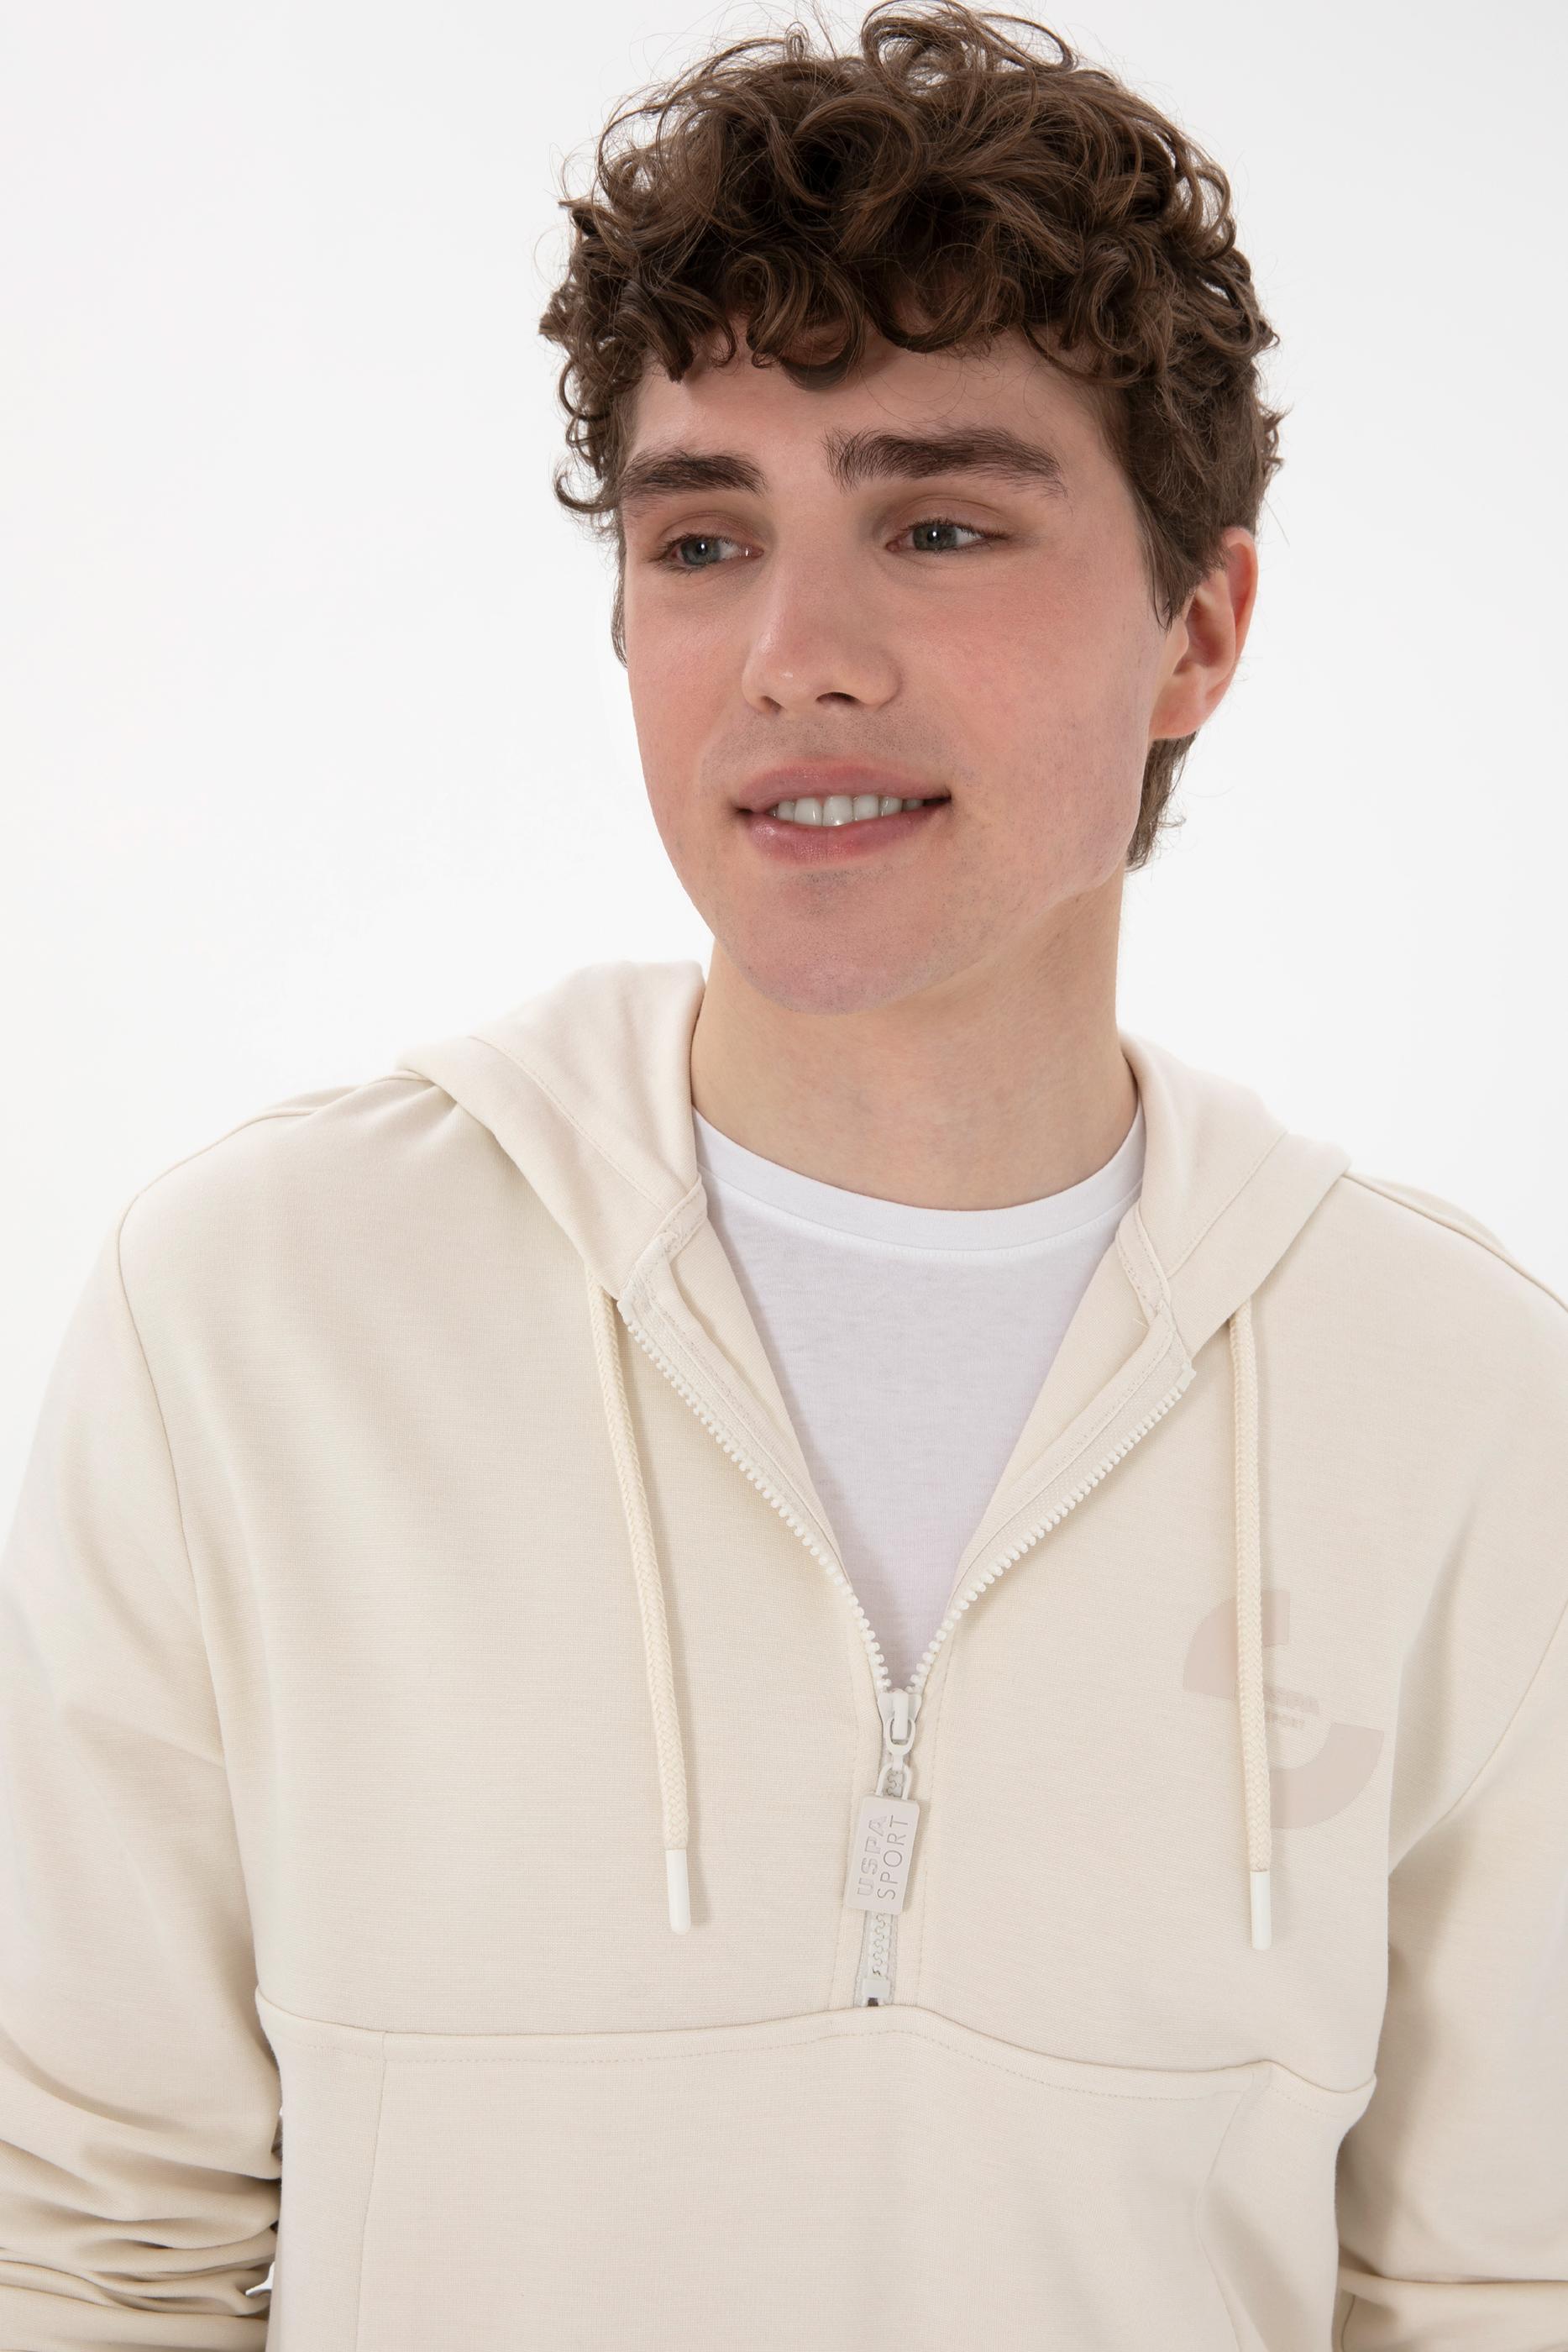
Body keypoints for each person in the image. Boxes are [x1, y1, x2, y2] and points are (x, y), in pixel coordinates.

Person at [2, 3, 1565, 2344]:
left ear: (1198, 630)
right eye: (704, 539)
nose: (792, 657)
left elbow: (1496, 2290)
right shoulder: (255, 1312)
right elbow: (83, 2250)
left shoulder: (1456, 1405)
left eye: (935, 526)